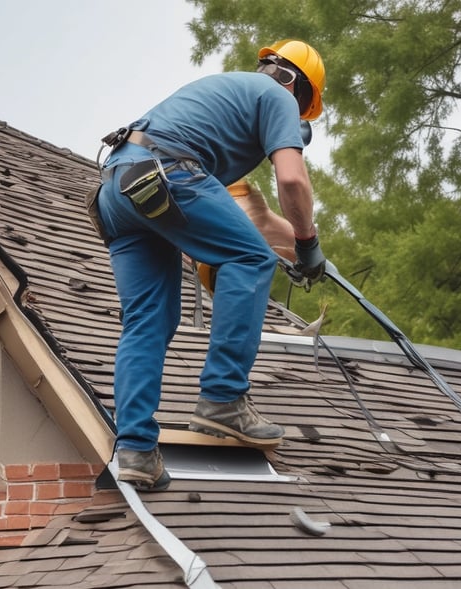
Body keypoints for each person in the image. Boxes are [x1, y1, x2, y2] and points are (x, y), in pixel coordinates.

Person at [96, 39, 327, 491]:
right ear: (298, 89)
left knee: (149, 318)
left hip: (117, 189)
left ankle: (137, 450)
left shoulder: (223, 100)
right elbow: (293, 180)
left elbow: (248, 215)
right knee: (251, 260)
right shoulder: (277, 96)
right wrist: (308, 240)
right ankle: (223, 399)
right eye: (304, 112)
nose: (297, 123)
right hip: (165, 172)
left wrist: (306, 250)